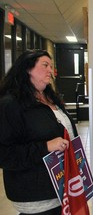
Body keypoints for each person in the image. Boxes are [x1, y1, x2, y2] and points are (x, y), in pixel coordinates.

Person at [0, 49, 78, 215]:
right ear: (28, 68)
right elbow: (5, 155)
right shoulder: (11, 105)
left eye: (51, 66)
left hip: (62, 189)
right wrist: (46, 146)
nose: (51, 70)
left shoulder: (51, 99)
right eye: (45, 65)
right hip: (36, 196)